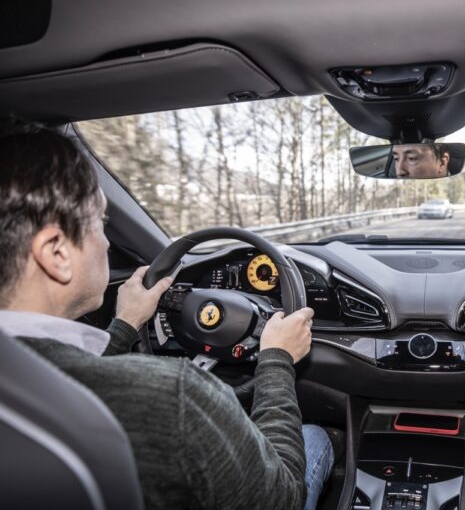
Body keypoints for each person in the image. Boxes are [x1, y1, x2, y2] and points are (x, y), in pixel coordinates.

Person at [0, 126, 335, 510]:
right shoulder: (172, 397)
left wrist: (126, 324)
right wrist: (276, 358)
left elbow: (76, 382)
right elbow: (282, 498)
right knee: (316, 437)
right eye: (100, 222)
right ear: (56, 253)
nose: (107, 242)